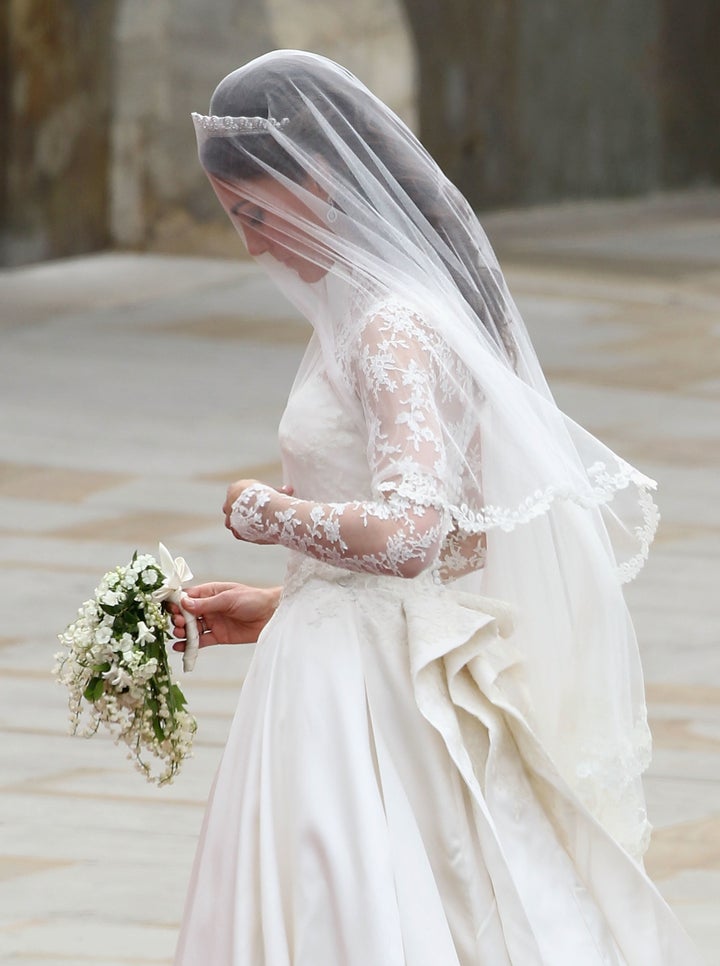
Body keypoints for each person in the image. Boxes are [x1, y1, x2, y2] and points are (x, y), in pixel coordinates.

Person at [171, 50, 702, 964]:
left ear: (320, 179)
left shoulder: (388, 325)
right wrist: (275, 604)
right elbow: (457, 538)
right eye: (235, 222)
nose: (253, 244)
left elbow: (414, 533)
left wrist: (260, 511)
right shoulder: (389, 310)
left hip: (364, 698)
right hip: (351, 656)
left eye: (256, 213)